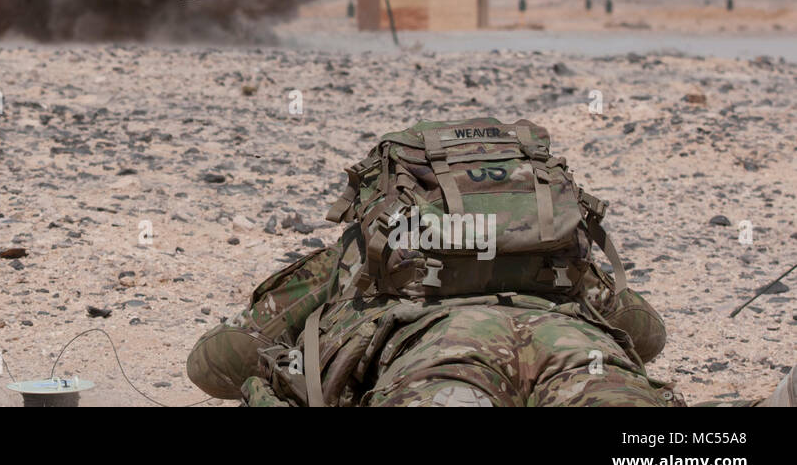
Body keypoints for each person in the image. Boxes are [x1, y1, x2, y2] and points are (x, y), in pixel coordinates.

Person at [188, 116, 794, 407]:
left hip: (435, 348)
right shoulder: (557, 246)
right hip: (575, 342)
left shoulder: (359, 254)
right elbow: (648, 335)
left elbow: (213, 366)